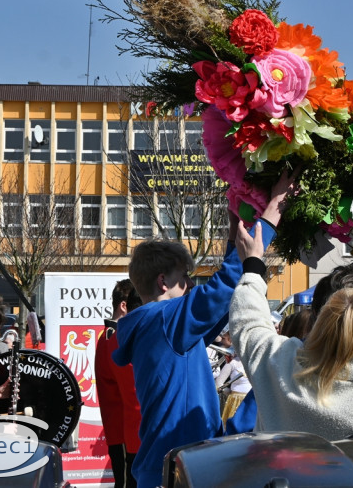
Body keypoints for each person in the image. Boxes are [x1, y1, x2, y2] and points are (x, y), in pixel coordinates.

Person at [113, 172, 295, 488]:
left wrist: (233, 224)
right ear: (163, 282)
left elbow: (226, 297)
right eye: (185, 278)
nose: (190, 286)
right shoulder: (165, 319)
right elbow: (223, 286)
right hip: (175, 472)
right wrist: (272, 214)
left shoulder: (161, 328)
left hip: (171, 467)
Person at [230, 222, 353, 439]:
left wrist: (252, 266)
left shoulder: (280, 363)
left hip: (276, 474)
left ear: (316, 317)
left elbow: (248, 322)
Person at [95, 278, 141, 488]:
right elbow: (134, 393)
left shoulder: (110, 336)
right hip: (128, 432)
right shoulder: (117, 338)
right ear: (124, 306)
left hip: (124, 430)